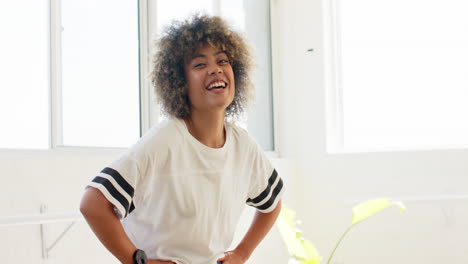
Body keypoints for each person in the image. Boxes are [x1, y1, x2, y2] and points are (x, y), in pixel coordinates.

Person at [79, 14, 284, 264]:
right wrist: (136, 260)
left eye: (223, 60)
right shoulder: (164, 141)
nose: (216, 69)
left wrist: (242, 252)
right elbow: (93, 203)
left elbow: (272, 203)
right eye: (199, 65)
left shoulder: (244, 146)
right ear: (179, 82)